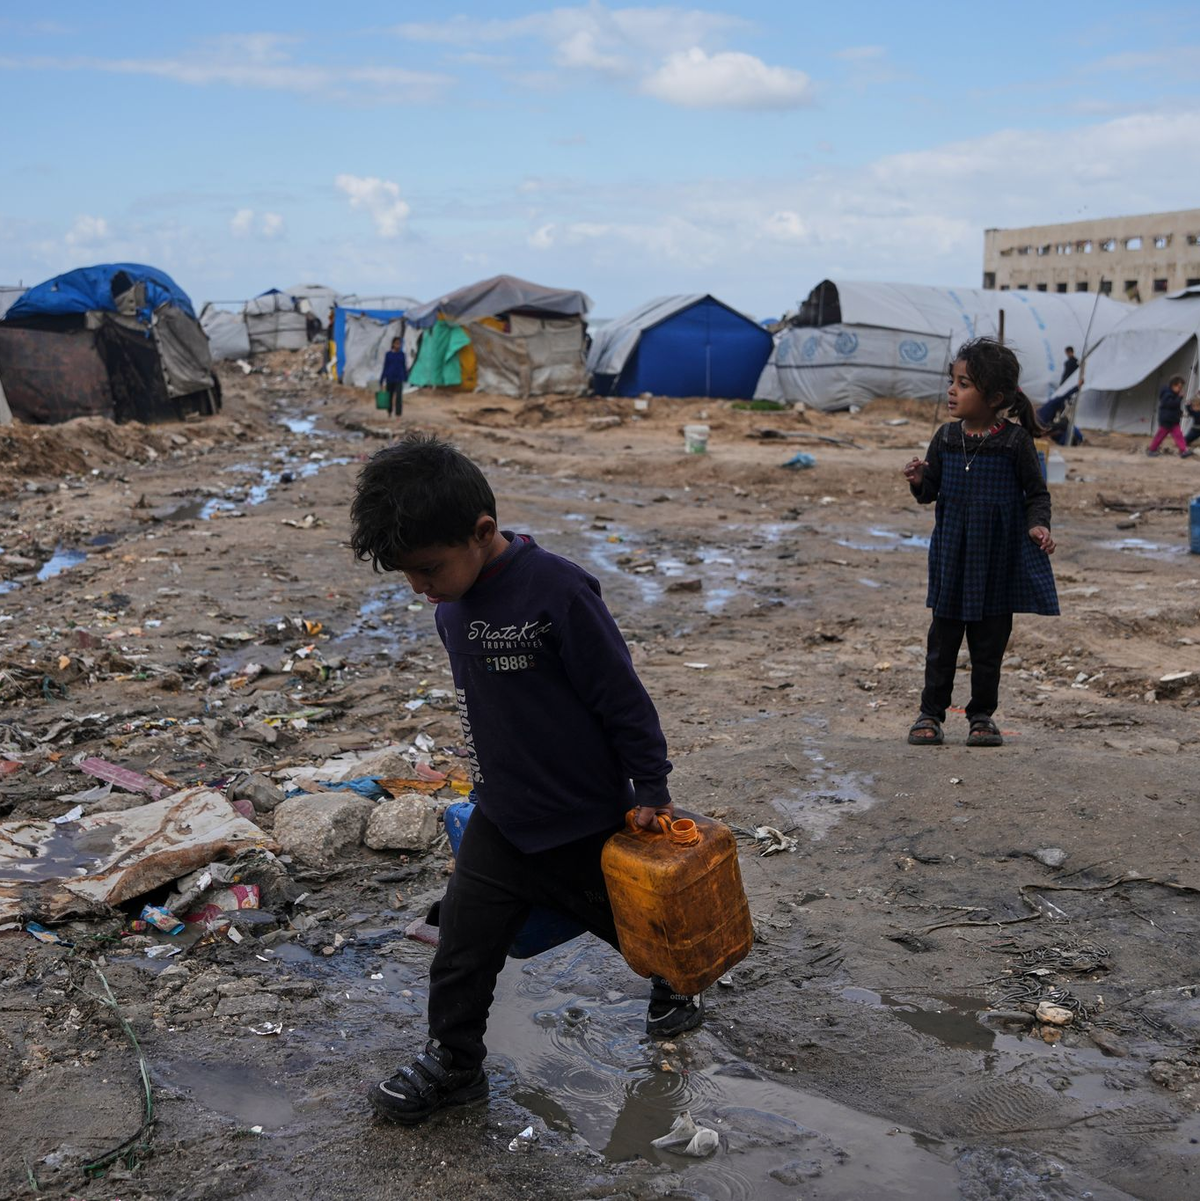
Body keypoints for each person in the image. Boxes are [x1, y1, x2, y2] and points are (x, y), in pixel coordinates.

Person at [349, 434, 699, 1125]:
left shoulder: (559, 590)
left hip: (583, 820)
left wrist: (651, 788)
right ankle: (454, 1063)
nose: (420, 588)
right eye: (406, 576)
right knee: (461, 954)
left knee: (636, 932)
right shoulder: (452, 608)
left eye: (428, 568)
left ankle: (675, 982)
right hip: (503, 820)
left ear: (482, 532)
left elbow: (621, 698)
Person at [902, 338, 1059, 748]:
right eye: (952, 381)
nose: (952, 390)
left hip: (996, 563)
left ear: (995, 398)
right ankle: (930, 714)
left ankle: (981, 716)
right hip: (953, 559)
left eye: (964, 383)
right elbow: (931, 489)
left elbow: (1037, 495)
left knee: (988, 646)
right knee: (942, 644)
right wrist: (920, 480)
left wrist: (1037, 526)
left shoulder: (1014, 443)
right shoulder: (946, 439)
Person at [1147, 375, 1192, 458]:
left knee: (1179, 436)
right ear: (1173, 385)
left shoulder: (1174, 394)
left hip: (1173, 421)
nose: (1180, 389)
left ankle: (1183, 451)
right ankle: (1152, 450)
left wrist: (1180, 413)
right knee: (1160, 436)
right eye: (1179, 387)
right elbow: (1171, 404)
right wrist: (1179, 398)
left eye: (1181, 387)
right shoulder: (1166, 394)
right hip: (1166, 421)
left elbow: (1175, 408)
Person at [380, 336, 407, 418]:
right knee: (390, 396)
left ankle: (398, 414)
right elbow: (385, 366)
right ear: (393, 344)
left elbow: (403, 366)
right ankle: (389, 412)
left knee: (399, 396)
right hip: (390, 378)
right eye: (397, 344)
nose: (398, 346)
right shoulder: (388, 354)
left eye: (399, 344)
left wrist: (405, 377)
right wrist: (382, 379)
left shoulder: (402, 355)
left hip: (399, 378)